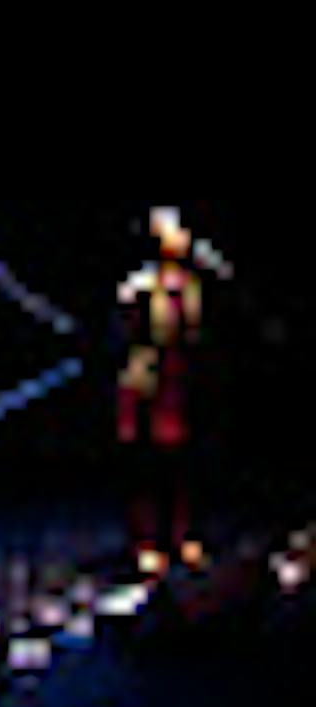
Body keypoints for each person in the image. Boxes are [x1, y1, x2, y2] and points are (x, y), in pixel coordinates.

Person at [116, 207, 208, 576]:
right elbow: (125, 337)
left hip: (179, 381)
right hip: (147, 381)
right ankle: (146, 540)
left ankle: (180, 535)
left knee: (180, 463)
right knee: (146, 463)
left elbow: (195, 334)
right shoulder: (140, 287)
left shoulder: (190, 286)